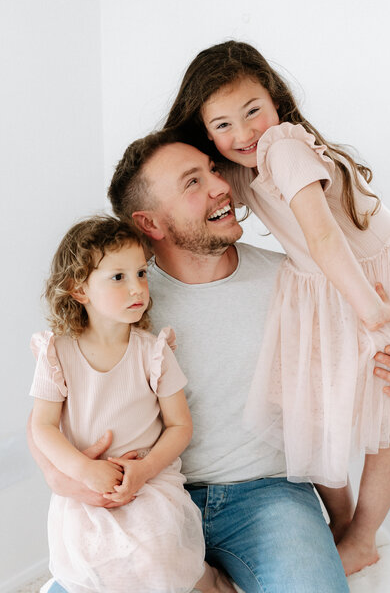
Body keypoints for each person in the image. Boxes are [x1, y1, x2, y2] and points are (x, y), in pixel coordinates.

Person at [163, 40, 390, 575]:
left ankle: (361, 534)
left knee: (389, 410)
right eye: (222, 124)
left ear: (275, 99)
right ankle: (338, 523)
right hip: (329, 284)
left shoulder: (285, 147)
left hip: (368, 282)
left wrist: (370, 310)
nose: (243, 133)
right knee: (309, 412)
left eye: (252, 110)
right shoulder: (237, 164)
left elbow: (321, 235)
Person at [29, 215, 234, 593]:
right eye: (118, 277)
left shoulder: (152, 352)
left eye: (141, 273)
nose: (137, 287)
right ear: (79, 290)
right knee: (88, 558)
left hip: (147, 481)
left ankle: (208, 580)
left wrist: (144, 471)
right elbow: (41, 426)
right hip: (87, 481)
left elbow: (179, 425)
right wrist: (82, 471)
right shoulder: (57, 353)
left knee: (157, 555)